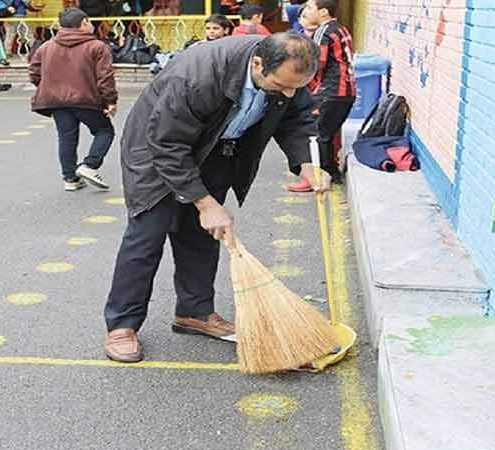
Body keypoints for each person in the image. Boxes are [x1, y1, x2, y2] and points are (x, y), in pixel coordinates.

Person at [102, 33, 332, 363]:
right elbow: (166, 144)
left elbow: (296, 117)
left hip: (215, 150)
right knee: (147, 235)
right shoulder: (198, 75)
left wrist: (306, 164)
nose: (289, 94)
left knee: (201, 235)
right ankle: (122, 325)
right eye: (281, 86)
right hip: (157, 150)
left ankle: (194, 312)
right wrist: (205, 202)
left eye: (296, 87)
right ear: (257, 64)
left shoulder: (287, 73)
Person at [29, 8, 117, 192]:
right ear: (84, 22)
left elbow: (34, 73)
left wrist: (49, 86)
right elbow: (105, 77)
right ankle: (90, 165)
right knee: (104, 130)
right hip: (87, 98)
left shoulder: (46, 46)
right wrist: (110, 100)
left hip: (56, 100)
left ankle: (70, 178)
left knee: (66, 138)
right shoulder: (98, 47)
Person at [288, 0, 355, 191]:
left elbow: (316, 66)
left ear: (323, 12)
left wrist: (303, 90)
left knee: (315, 135)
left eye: (310, 7)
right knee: (326, 134)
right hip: (344, 92)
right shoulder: (340, 29)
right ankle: (331, 173)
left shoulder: (323, 32)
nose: (306, 11)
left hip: (330, 92)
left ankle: (317, 177)